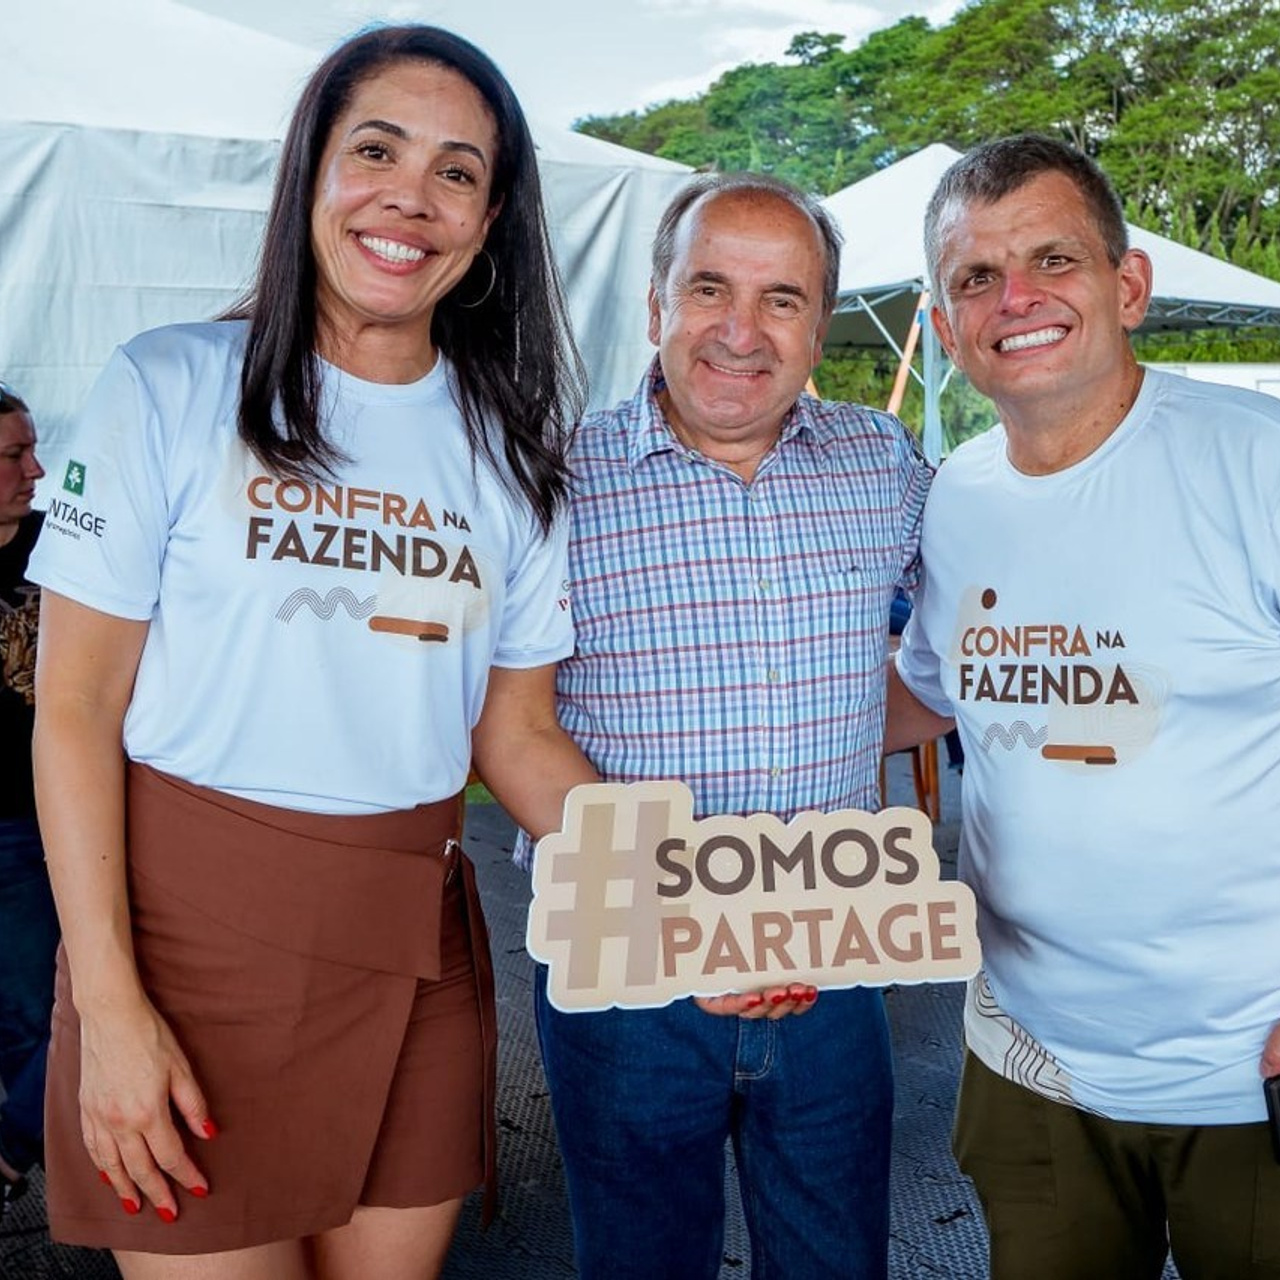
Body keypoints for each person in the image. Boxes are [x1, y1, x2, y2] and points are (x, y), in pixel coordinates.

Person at [28, 25, 596, 1279]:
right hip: (180, 953)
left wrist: (699, 893)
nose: (411, 196)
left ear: (491, 216)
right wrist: (111, 1010)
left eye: (457, 170)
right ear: (311, 174)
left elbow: (515, 735)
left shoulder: (512, 456)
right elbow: (70, 710)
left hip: (416, 952)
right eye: (376, 149)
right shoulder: (169, 385)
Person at [522, 172, 933, 1279]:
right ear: (655, 304)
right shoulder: (549, 479)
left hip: (831, 958)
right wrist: (693, 920)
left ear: (819, 326)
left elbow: (969, 641)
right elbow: (501, 727)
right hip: (627, 971)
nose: (740, 331)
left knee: (835, 1259)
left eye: (782, 298)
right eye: (708, 287)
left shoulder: (882, 466)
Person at [890, 134, 1280, 1279]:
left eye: (1050, 259)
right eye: (974, 277)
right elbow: (916, 695)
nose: (1014, 299)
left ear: (1128, 284)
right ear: (945, 322)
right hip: (1030, 1058)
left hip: (1246, 1067)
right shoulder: (954, 495)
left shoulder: (1249, 461)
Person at [0, 384, 57, 1217]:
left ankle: (11, 1154)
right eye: (13, 455)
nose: (36, 470)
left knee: (58, 1013)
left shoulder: (64, 550)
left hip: (60, 822)